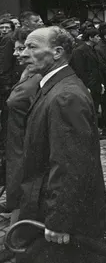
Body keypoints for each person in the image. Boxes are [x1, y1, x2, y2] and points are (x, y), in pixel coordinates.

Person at [18, 26, 106, 263]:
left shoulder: (65, 95)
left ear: (57, 52)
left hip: (59, 220)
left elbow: (70, 164)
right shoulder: (54, 87)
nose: (23, 54)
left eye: (32, 47)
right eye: (24, 47)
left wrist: (59, 221)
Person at [5, 29, 42, 229]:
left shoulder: (39, 79)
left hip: (25, 143)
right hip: (16, 139)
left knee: (23, 184)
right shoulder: (27, 72)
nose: (16, 53)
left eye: (21, 49)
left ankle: (18, 233)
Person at [70, 28, 103, 129]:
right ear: (90, 38)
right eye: (97, 36)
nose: (99, 38)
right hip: (87, 85)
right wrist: (85, 86)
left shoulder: (94, 49)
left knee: (94, 109)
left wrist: (101, 83)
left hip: (95, 84)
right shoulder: (79, 51)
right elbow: (80, 70)